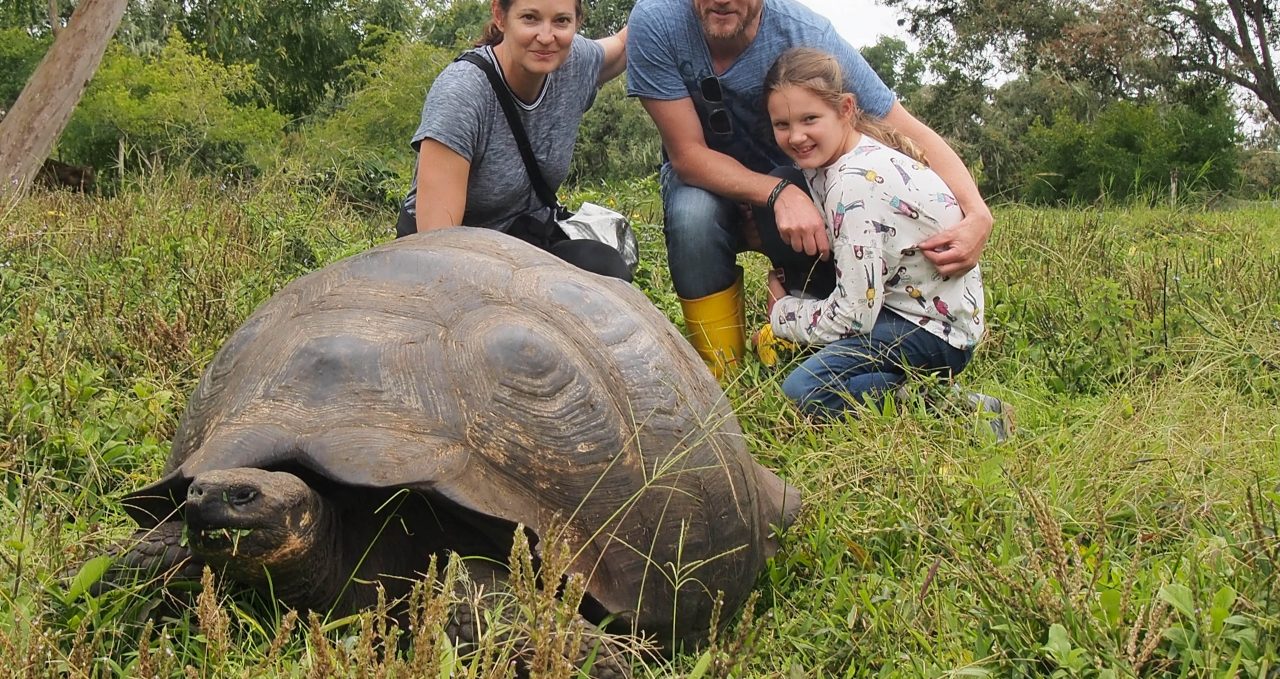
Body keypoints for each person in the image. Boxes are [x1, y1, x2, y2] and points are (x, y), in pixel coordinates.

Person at [626, 0, 994, 374]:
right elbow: (687, 156)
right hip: (711, 181)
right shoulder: (657, 21)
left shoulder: (807, 35)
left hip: (805, 181)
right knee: (693, 217)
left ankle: (808, 330)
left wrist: (978, 212)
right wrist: (776, 194)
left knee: (803, 188)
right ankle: (723, 373)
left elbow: (905, 129)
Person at [754, 47, 987, 420]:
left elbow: (853, 317)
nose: (796, 136)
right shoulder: (845, 157)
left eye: (809, 118)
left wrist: (783, 313)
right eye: (782, 125)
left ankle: (957, 410)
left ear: (845, 109)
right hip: (920, 313)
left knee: (803, 393)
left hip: (933, 332)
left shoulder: (852, 185)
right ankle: (908, 388)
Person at [396, 0, 632, 280]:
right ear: (500, 15)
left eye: (561, 21)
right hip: (451, 256)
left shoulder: (573, 62)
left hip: (523, 243)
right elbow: (438, 246)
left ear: (577, 22)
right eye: (530, 18)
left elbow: (624, 45)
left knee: (604, 267)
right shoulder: (462, 94)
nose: (546, 37)